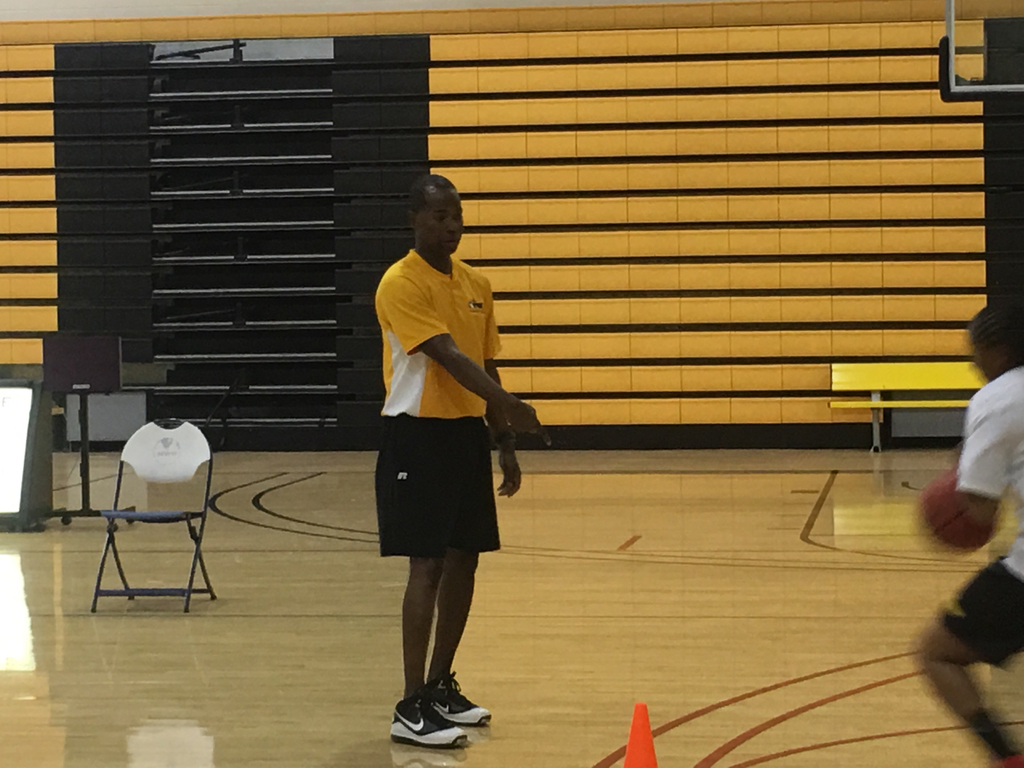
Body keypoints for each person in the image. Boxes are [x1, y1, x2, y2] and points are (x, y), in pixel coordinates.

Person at [374, 174, 549, 749]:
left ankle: (439, 684)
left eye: (457, 217)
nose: (451, 227)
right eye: (439, 216)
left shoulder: (477, 284)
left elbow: (483, 360)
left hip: (465, 436)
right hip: (417, 436)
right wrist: (511, 404)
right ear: (413, 220)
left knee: (464, 560)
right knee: (425, 565)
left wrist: (504, 439)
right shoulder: (400, 283)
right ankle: (409, 706)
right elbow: (445, 354)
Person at [916, 302, 1024, 768]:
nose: (973, 361)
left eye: (975, 350)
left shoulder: (998, 397)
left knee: (937, 652)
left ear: (998, 350)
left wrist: (954, 485)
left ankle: (1007, 759)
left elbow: (977, 513)